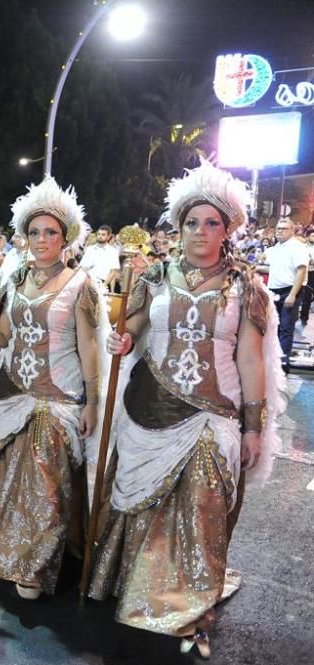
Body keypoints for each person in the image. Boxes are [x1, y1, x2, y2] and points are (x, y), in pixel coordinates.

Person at [89, 162, 286, 659]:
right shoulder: (153, 274)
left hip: (213, 415)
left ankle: (188, 607)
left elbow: (250, 360)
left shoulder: (246, 288)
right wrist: (125, 335)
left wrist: (253, 427)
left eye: (212, 223)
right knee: (142, 502)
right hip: (147, 405)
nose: (201, 232)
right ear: (179, 228)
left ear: (228, 229)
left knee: (202, 505)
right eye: (192, 223)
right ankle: (135, 587)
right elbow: (133, 320)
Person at [0, 178, 103, 599]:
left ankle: (35, 566)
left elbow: (89, 350)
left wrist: (93, 402)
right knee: (6, 474)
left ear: (66, 238)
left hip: (58, 398)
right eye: (35, 232)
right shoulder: (15, 280)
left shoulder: (82, 285)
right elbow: (3, 338)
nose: (41, 240)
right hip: (14, 393)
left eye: (50, 232)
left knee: (45, 479)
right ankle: (6, 550)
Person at [260, 217, 308, 372]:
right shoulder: (277, 248)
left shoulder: (298, 247)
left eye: (283, 228)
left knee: (286, 328)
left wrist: (292, 295)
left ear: (292, 230)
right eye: (278, 228)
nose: (279, 231)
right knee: (274, 326)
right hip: (274, 291)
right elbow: (273, 269)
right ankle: (273, 358)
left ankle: (282, 363)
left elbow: (301, 271)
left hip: (290, 290)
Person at [80, 225, 121, 289]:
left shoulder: (113, 252)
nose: (100, 236)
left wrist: (104, 285)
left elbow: (113, 271)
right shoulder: (89, 249)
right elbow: (82, 267)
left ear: (108, 237)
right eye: (99, 234)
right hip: (87, 282)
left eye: (103, 234)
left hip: (102, 283)